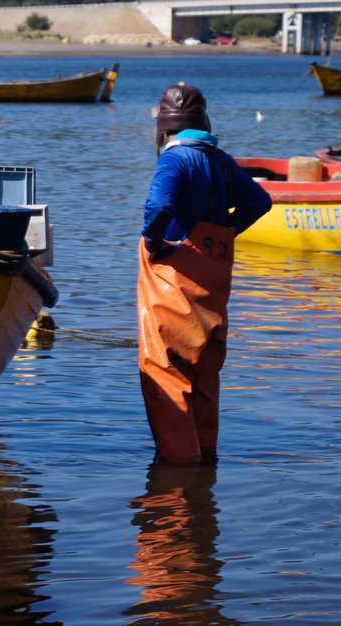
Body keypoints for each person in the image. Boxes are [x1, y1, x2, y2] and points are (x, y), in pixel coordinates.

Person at [138, 82, 272, 464]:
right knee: (205, 375)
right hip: (213, 289)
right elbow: (260, 201)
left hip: (174, 284)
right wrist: (227, 231)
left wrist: (153, 244)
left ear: (164, 128)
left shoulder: (174, 159)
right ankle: (206, 464)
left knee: (167, 369)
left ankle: (178, 475)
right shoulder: (222, 161)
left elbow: (159, 206)